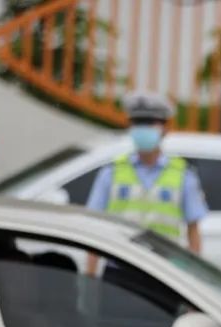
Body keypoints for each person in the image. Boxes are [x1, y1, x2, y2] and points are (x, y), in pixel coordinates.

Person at [86, 91, 208, 259]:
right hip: (118, 268)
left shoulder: (183, 175)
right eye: (137, 122)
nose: (143, 128)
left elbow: (193, 234)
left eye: (150, 123)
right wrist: (92, 276)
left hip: (163, 271)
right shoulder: (111, 172)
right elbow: (95, 228)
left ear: (166, 128)